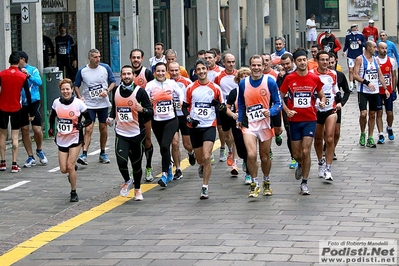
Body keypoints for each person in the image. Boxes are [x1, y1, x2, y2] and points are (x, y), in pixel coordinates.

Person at [279, 48, 326, 195]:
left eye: (304, 60)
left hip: (310, 119)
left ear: (307, 61)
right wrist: (287, 111)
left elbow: (322, 95)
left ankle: (304, 182)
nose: (302, 62)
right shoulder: (289, 78)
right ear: (295, 62)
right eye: (299, 60)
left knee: (306, 151)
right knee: (297, 154)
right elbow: (279, 98)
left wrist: (323, 102)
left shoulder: (314, 78)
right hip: (294, 120)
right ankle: (299, 163)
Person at [237, 55, 282, 198]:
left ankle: (266, 181)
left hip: (265, 124)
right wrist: (239, 118)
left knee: (264, 157)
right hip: (249, 124)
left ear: (263, 66)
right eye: (253, 65)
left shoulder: (270, 82)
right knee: (251, 154)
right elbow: (242, 103)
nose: (256, 68)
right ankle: (254, 183)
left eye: (259, 65)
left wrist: (271, 111)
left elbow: (278, 103)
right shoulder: (243, 83)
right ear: (250, 66)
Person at [107, 65, 153, 200]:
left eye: (129, 74)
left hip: (137, 134)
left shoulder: (140, 92)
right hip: (121, 133)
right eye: (124, 74)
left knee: (136, 164)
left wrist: (142, 110)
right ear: (121, 76)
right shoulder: (115, 90)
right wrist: (111, 117)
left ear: (133, 76)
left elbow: (150, 112)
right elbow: (115, 108)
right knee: (121, 162)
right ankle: (127, 180)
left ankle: (138, 190)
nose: (126, 76)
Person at [182, 58, 224, 199]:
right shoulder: (190, 88)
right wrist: (189, 118)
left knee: (207, 156)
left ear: (207, 70)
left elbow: (222, 107)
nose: (201, 72)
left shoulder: (215, 88)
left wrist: (217, 104)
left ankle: (205, 186)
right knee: (200, 159)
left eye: (203, 69)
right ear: (195, 71)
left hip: (209, 126)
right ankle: (201, 165)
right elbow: (184, 106)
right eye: (198, 69)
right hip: (194, 127)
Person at [48, 78, 92, 202]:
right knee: (63, 169)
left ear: (72, 90)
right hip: (62, 138)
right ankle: (72, 171)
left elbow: (89, 119)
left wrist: (81, 125)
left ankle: (73, 192)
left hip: (75, 138)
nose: (65, 91)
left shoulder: (78, 104)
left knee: (70, 165)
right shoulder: (56, 102)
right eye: (63, 89)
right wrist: (51, 128)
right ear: (60, 90)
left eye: (68, 89)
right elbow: (52, 117)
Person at [74, 48, 116, 165]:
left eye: (99, 57)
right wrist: (79, 97)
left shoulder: (105, 68)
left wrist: (107, 91)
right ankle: (84, 154)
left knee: (103, 128)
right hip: (89, 104)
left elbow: (113, 82)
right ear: (89, 58)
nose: (98, 59)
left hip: (102, 104)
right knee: (88, 128)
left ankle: (102, 153)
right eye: (95, 57)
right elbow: (76, 85)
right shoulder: (83, 71)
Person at [145, 62, 184, 187]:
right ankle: (169, 165)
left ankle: (164, 175)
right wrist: (148, 101)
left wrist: (181, 101)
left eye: (163, 71)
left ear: (166, 71)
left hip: (171, 119)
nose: (161, 73)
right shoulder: (150, 85)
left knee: (165, 146)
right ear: (154, 72)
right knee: (163, 148)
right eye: (158, 71)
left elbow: (180, 93)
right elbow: (144, 99)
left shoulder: (171, 83)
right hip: (156, 121)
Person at [0, 52, 34, 173]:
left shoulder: (2, 74)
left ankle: (3, 162)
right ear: (18, 62)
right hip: (16, 107)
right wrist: (31, 111)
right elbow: (28, 94)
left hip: (2, 107)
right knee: (15, 135)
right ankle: (14, 164)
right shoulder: (22, 76)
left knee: (2, 135)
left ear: (9, 61)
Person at [353, 41, 389, 148]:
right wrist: (367, 82)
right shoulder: (360, 59)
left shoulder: (376, 60)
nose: (376, 49)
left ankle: (370, 137)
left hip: (375, 92)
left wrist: (385, 88)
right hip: (363, 91)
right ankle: (363, 133)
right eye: (374, 47)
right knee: (363, 113)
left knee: (373, 114)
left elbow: (380, 75)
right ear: (368, 48)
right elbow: (355, 75)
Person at [310, 51, 340, 181]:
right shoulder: (311, 74)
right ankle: (320, 162)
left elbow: (335, 88)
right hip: (316, 110)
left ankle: (328, 168)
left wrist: (338, 99)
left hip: (330, 109)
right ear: (317, 61)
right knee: (317, 139)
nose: (325, 62)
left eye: (327, 60)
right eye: (322, 60)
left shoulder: (333, 74)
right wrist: (317, 101)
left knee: (329, 138)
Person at [17, 51, 48, 168]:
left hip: (34, 101)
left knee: (37, 129)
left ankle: (39, 149)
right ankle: (30, 156)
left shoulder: (33, 69)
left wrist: (28, 75)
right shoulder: (16, 71)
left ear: (23, 59)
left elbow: (39, 82)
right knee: (25, 129)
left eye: (18, 59)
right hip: (21, 103)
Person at [129, 48, 155, 182]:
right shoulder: (127, 74)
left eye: (138, 57)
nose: (136, 60)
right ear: (130, 59)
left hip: (144, 113)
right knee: (133, 144)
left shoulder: (147, 73)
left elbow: (154, 88)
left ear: (142, 59)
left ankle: (149, 168)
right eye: (133, 57)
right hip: (131, 115)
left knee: (147, 141)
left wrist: (151, 100)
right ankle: (135, 170)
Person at [168, 61, 195, 180]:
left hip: (184, 116)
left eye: (176, 70)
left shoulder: (187, 82)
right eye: (172, 70)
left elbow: (193, 98)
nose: (174, 73)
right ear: (168, 71)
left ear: (180, 71)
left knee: (187, 144)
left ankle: (191, 152)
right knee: (174, 143)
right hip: (171, 116)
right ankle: (178, 169)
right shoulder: (165, 83)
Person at [214, 53, 239, 175]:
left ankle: (235, 162)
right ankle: (229, 150)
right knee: (227, 136)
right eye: (229, 62)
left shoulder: (239, 75)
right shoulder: (219, 77)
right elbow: (216, 91)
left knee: (236, 135)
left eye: (233, 62)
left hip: (237, 109)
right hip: (224, 108)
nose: (231, 64)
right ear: (223, 63)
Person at [226, 67, 252, 184]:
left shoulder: (253, 90)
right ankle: (244, 160)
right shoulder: (234, 92)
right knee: (241, 149)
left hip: (251, 124)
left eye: (247, 76)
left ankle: (249, 174)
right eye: (242, 76)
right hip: (237, 124)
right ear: (238, 79)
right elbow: (227, 107)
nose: (245, 78)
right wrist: (232, 114)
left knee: (249, 148)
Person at [328, 52, 351, 160]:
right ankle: (327, 147)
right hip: (324, 106)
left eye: (332, 62)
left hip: (336, 106)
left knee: (336, 131)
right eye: (329, 62)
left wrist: (341, 102)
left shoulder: (340, 75)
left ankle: (332, 149)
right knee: (326, 131)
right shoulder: (320, 75)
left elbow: (347, 91)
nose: (330, 64)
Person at [276, 53, 298, 169]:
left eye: (287, 64)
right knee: (290, 132)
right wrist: (281, 77)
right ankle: (294, 157)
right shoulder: (281, 76)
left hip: (300, 107)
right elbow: (278, 93)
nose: (285, 66)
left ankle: (302, 155)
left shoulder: (299, 71)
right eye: (283, 64)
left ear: (293, 62)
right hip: (286, 107)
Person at [205, 49, 226, 162]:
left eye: (210, 58)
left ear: (215, 59)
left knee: (220, 127)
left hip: (217, 103)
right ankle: (209, 151)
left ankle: (222, 147)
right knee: (209, 127)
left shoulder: (221, 71)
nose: (208, 60)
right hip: (205, 104)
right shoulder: (202, 70)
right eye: (206, 58)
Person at [375, 42, 396, 144]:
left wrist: (394, 89)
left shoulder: (391, 60)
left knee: (389, 113)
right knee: (379, 112)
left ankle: (390, 127)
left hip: (388, 90)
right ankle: (381, 134)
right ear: (378, 49)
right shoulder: (375, 61)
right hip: (377, 91)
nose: (384, 50)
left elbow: (394, 76)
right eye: (382, 48)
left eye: (386, 48)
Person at [342, 24, 366, 92]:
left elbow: (365, 44)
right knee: (350, 70)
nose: (356, 29)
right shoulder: (348, 36)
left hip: (358, 56)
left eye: (357, 28)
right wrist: (343, 51)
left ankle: (360, 83)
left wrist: (361, 43)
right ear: (352, 29)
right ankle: (351, 85)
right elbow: (346, 44)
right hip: (350, 56)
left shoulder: (361, 35)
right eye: (354, 28)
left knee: (358, 70)